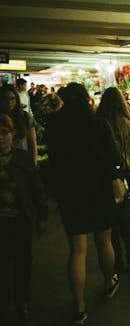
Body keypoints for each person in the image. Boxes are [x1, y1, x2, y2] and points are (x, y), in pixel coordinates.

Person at [45, 83, 122, 326]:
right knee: (104, 241)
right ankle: (109, 282)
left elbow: (52, 163)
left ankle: (79, 307)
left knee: (77, 250)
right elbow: (113, 158)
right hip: (99, 191)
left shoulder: (55, 126)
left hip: (71, 194)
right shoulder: (99, 124)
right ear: (87, 100)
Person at [0, 113, 47, 323]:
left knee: (22, 262)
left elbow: (36, 188)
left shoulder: (21, 158)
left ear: (12, 134)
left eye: (4, 133)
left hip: (20, 219)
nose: (1, 138)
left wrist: (41, 215)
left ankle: (21, 301)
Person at [96, 87, 130, 271]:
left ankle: (117, 258)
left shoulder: (99, 123)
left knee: (111, 218)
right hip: (126, 172)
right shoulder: (128, 123)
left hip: (107, 174)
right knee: (124, 215)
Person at [0, 84, 38, 165]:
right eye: (5, 99)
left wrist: (34, 163)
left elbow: (32, 142)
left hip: (22, 162)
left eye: (12, 98)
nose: (9, 102)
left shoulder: (25, 117)